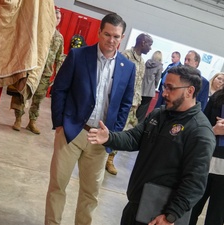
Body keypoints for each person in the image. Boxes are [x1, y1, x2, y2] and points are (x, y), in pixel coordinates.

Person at [87, 65, 216, 225]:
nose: (164, 93)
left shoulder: (199, 131)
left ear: (189, 91)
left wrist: (171, 216)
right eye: (164, 87)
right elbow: (134, 138)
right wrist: (109, 137)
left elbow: (195, 182)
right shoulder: (159, 114)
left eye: (170, 88)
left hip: (161, 216)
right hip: (136, 203)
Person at [45, 13, 136, 225]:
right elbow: (59, 89)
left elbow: (125, 103)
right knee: (58, 186)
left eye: (116, 36)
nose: (111, 40)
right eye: (107, 34)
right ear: (99, 32)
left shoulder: (128, 67)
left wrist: (113, 134)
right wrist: (60, 124)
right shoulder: (78, 56)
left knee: (90, 193)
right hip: (72, 132)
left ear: (122, 37)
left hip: (100, 140)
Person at [105, 33, 153, 175]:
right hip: (121, 102)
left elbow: (138, 84)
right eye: (149, 44)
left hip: (133, 104)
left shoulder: (142, 62)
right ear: (143, 43)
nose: (150, 48)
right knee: (116, 128)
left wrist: (137, 102)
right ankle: (107, 158)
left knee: (125, 131)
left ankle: (110, 158)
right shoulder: (125, 56)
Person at [11, 8, 65, 134]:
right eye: (55, 17)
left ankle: (32, 122)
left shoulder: (59, 37)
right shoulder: (39, 32)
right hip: (33, 70)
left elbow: (59, 57)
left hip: (45, 74)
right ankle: (18, 119)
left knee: (38, 99)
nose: (57, 20)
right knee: (22, 95)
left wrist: (57, 75)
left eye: (59, 19)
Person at [189, 87, 224, 225]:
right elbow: (201, 126)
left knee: (217, 215)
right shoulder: (218, 97)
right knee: (192, 208)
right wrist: (214, 130)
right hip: (206, 161)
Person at [136, 50, 163, 123]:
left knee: (137, 106)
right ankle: (138, 123)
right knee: (144, 109)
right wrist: (155, 86)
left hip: (141, 88)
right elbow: (157, 79)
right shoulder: (160, 66)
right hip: (149, 90)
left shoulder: (147, 62)